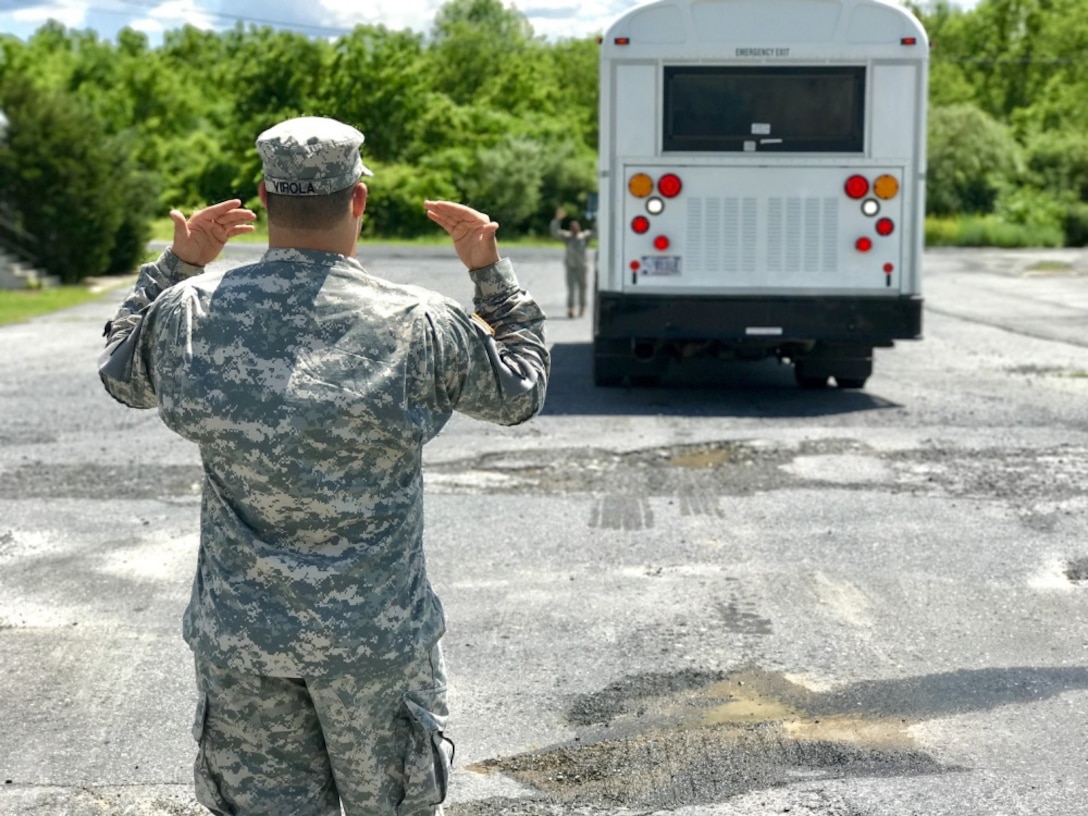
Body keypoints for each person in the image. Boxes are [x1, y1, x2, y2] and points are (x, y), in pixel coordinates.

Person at [97, 115, 549, 816]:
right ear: (358, 200)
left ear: (263, 198)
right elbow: (521, 391)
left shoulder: (190, 312)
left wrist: (176, 264)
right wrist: (491, 274)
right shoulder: (419, 320)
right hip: (376, 645)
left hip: (245, 644)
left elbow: (121, 373)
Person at [549, 206, 593, 318]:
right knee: (571, 289)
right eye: (572, 227)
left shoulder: (584, 237)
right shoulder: (567, 237)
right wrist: (557, 220)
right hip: (571, 266)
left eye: (576, 226)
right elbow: (555, 232)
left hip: (582, 266)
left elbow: (595, 232)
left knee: (583, 287)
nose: (574, 228)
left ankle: (582, 307)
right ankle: (571, 308)